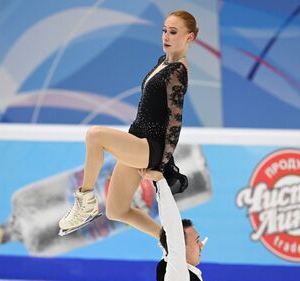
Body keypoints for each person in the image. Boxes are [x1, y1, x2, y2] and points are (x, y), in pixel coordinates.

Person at [59, 10, 199, 236]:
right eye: (164, 30)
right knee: (117, 210)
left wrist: (161, 166)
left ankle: (85, 201)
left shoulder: (178, 71)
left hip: (150, 146)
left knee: (95, 135)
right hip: (137, 139)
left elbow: (175, 123)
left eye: (173, 32)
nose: (166, 36)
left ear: (189, 37)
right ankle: (171, 242)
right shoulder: (163, 62)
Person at [143, 169, 211, 281]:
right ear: (180, 247)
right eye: (197, 241)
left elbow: (168, 232)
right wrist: (160, 181)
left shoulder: (175, 270)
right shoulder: (178, 280)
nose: (201, 245)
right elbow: (172, 228)